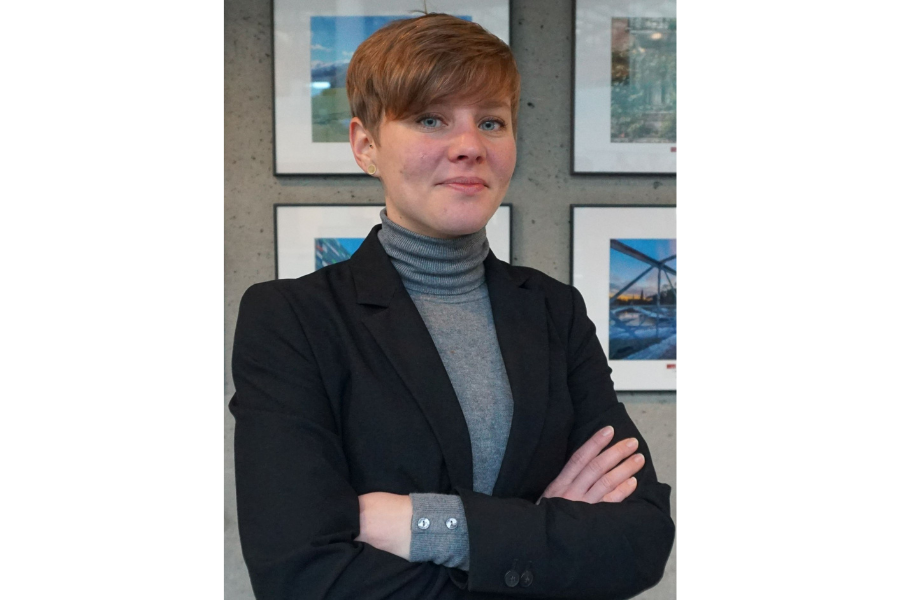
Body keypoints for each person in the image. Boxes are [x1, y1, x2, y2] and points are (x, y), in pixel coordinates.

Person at [230, 13, 674, 600]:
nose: (469, 146)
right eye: (430, 119)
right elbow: (301, 578)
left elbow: (641, 540)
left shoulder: (553, 311)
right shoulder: (292, 320)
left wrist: (425, 523)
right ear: (366, 146)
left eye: (491, 121)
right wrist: (537, 531)